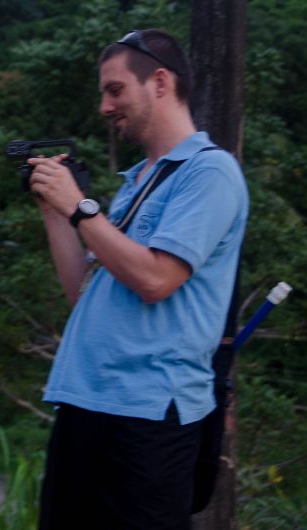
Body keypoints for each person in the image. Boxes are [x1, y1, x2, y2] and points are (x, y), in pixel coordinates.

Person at [28, 29, 248, 529]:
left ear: (161, 82)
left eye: (115, 89)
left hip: (149, 413)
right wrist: (53, 211)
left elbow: (155, 279)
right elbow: (82, 292)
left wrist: (80, 209)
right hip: (86, 399)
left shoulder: (208, 172)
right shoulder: (138, 181)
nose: (105, 106)